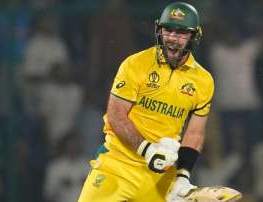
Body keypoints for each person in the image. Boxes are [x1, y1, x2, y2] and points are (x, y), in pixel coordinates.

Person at [78, 2, 214, 202]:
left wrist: (182, 176)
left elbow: (194, 133)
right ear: (159, 30)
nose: (173, 39)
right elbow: (116, 116)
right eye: (168, 30)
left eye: (182, 33)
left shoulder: (204, 81)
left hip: (160, 176)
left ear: (195, 36)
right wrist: (147, 150)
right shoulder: (135, 64)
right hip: (117, 166)